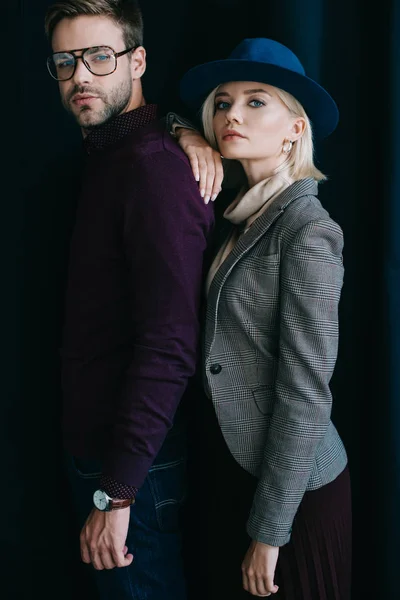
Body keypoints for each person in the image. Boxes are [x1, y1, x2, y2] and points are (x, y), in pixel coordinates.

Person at [171, 38, 352, 599]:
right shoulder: (243, 215)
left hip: (295, 494)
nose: (231, 115)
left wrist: (270, 533)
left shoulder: (307, 228)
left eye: (256, 102)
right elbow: (162, 116)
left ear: (296, 128)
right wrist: (184, 132)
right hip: (238, 471)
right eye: (222, 103)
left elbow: (306, 390)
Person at [44, 1, 213, 599]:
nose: (80, 77)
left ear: (136, 60)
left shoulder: (153, 172)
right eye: (66, 62)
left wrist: (118, 490)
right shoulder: (113, 156)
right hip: (107, 457)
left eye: (98, 57)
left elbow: (170, 344)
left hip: (133, 471)